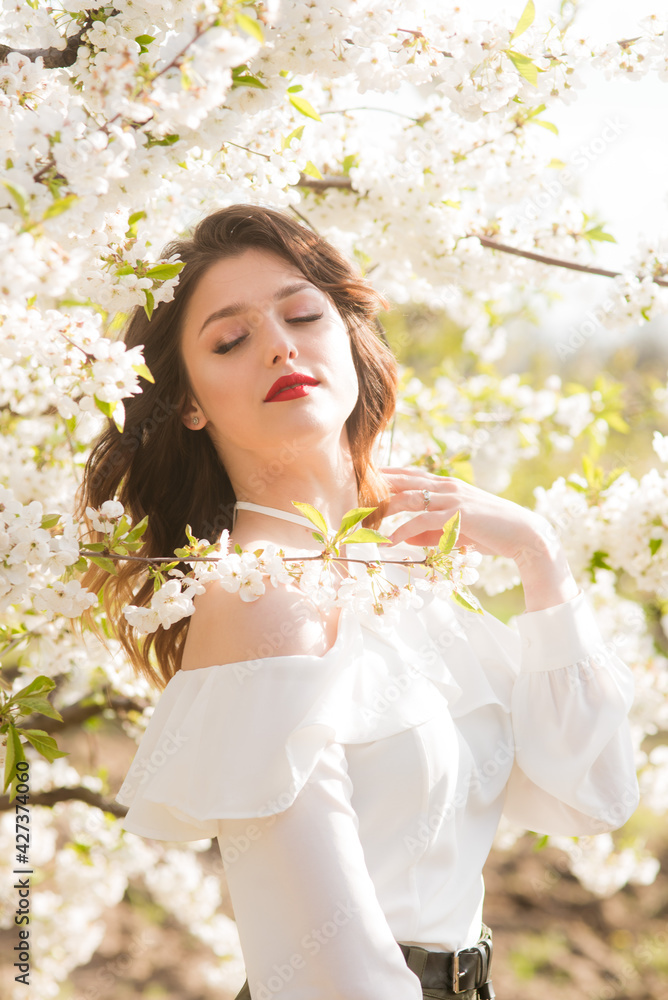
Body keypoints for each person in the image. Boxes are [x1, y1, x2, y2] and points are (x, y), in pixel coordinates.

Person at [78, 205, 639, 999]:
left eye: (304, 315)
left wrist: (539, 556)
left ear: (347, 335)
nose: (280, 345)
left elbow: (592, 796)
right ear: (189, 403)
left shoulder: (408, 565)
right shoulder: (257, 597)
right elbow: (331, 971)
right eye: (230, 340)